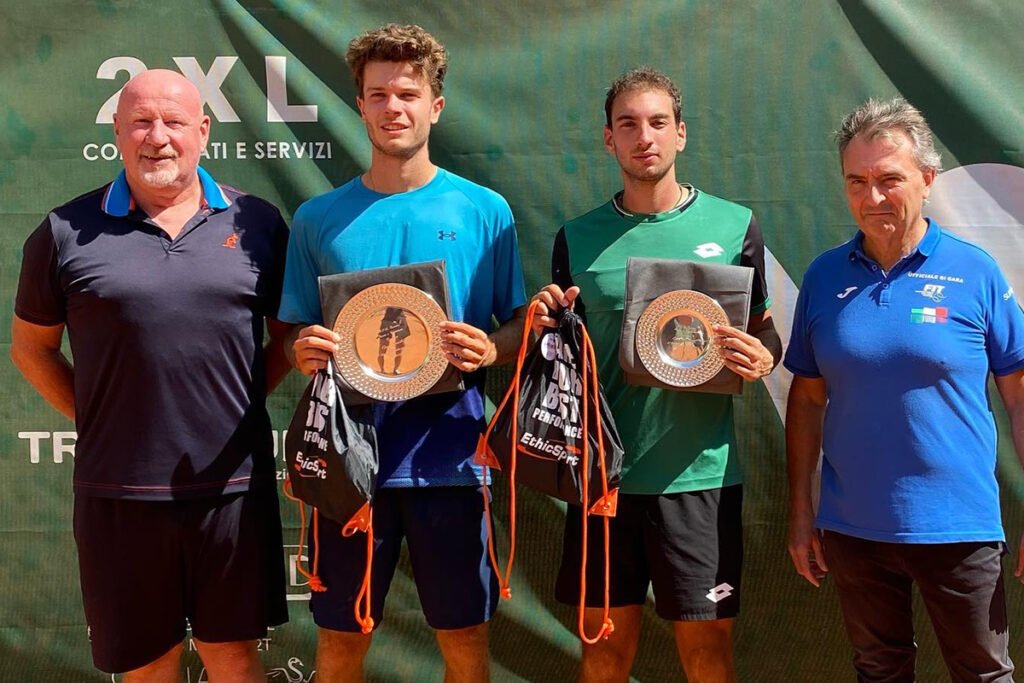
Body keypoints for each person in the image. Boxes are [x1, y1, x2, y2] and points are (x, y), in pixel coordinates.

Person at [11, 69, 290, 682]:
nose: (157, 136)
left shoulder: (261, 224)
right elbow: (32, 351)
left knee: (235, 661)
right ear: (116, 131)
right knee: (145, 669)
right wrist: (100, 417)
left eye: (174, 121)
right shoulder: (62, 233)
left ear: (204, 132)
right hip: (119, 495)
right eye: (140, 120)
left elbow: (289, 341)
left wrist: (236, 409)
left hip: (233, 491)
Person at [278, 24, 527, 683]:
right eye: (378, 94)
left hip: (450, 461)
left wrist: (490, 347)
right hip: (347, 466)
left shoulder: (486, 210)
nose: (394, 107)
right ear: (359, 105)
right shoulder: (317, 219)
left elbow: (522, 323)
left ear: (435, 106)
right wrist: (302, 346)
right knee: (339, 645)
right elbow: (292, 331)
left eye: (408, 93)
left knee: (467, 646)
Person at [532, 66, 781, 683]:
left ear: (681, 134)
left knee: (708, 658)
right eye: (628, 124)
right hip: (603, 481)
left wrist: (763, 355)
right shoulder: (577, 238)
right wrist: (543, 324)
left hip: (700, 480)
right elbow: (561, 348)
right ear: (608, 140)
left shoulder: (734, 226)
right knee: (605, 656)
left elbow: (765, 326)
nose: (645, 136)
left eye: (658, 123)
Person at [785, 97, 1024, 682]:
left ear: (926, 178)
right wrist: (801, 510)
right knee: (879, 671)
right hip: (853, 529)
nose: (872, 199)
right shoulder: (823, 276)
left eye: (889, 180)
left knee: (983, 675)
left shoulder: (976, 272)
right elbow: (808, 398)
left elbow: (1019, 395)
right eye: (856, 182)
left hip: (959, 526)